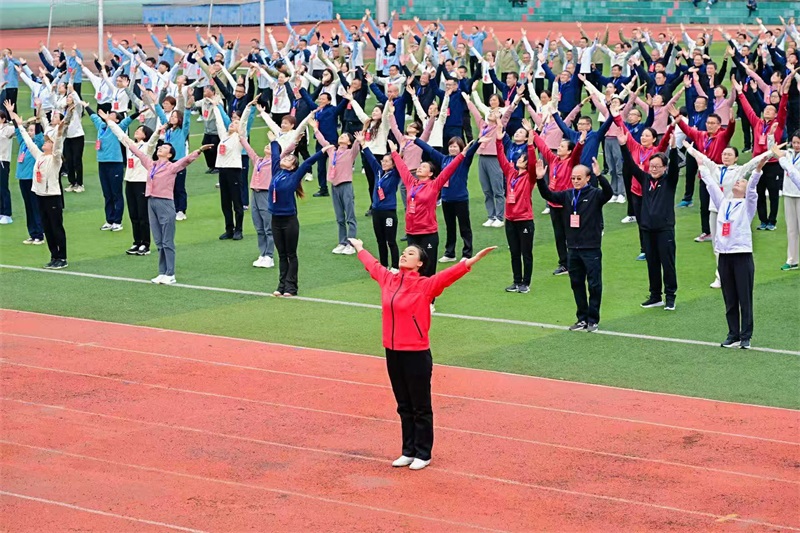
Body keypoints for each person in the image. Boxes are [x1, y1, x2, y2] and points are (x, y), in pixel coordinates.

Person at [348, 236, 496, 471]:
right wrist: (359, 248)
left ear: (419, 263)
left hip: (416, 353)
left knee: (420, 406)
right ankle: (408, 451)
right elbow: (373, 266)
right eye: (404, 252)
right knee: (403, 404)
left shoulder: (425, 286)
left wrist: (471, 261)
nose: (404, 255)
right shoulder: (388, 280)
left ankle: (423, 453)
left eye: (410, 253)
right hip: (392, 351)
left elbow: (447, 277)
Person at [535, 157, 613, 332]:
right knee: (576, 283)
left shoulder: (595, 194)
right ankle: (582, 318)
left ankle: (593, 319)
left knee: (594, 284)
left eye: (579, 178)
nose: (576, 181)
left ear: (587, 178)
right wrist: (540, 179)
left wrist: (600, 176)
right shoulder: (568, 195)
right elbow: (549, 195)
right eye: (573, 178)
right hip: (573, 249)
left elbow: (608, 193)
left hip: (591, 248)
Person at [700, 154, 769, 349]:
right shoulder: (724, 203)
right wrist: (702, 167)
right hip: (724, 256)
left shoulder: (748, 204)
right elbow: (712, 186)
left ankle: (746, 336)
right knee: (729, 297)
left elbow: (753, 188)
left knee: (744, 297)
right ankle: (733, 334)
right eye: (738, 181)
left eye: (742, 182)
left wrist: (757, 170)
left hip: (741, 255)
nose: (739, 182)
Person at [685, 142, 773, 287]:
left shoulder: (739, 170)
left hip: (732, 212)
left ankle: (731, 274)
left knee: (730, 242)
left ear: (736, 158)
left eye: (730, 155)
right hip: (716, 209)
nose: (726, 157)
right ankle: (720, 276)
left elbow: (754, 162)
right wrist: (689, 148)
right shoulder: (715, 168)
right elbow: (701, 158)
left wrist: (771, 152)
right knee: (717, 244)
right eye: (724, 154)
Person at [127, 138, 213, 285]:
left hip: (165, 204)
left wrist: (199, 150)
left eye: (165, 148)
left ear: (170, 155)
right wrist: (127, 141)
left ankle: (170, 273)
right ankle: (162, 272)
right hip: (151, 202)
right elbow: (139, 154)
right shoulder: (151, 165)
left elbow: (186, 160)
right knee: (159, 241)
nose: (160, 148)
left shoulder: (172, 167)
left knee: (167, 241)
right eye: (160, 147)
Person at [620, 134, 681, 310]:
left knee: (667, 264)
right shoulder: (645, 179)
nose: (653, 169)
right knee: (652, 263)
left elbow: (675, 168)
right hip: (647, 229)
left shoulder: (669, 180)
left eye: (657, 166)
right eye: (651, 166)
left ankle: (670, 297)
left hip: (664, 229)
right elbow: (631, 166)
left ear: (664, 168)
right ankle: (655, 296)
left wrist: (674, 148)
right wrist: (623, 146)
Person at [8, 103, 69, 268]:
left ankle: (62, 257)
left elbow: (58, 144)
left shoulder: (55, 158)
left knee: (56, 227)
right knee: (47, 228)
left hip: (52, 196)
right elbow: (28, 141)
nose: (45, 143)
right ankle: (54, 256)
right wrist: (16, 120)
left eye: (48, 142)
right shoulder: (39, 155)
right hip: (40, 195)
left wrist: (60, 131)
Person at [266, 141, 327, 296]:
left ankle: (291, 287)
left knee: (291, 254)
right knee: (281, 255)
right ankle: (281, 286)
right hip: (275, 220)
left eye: (289, 159)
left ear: (293, 166)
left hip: (289, 221)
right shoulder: (276, 172)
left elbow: (307, 163)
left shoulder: (294, 177)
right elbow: (275, 155)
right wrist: (274, 141)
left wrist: (323, 151)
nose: (284, 159)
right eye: (285, 158)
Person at [496, 126, 537, 294]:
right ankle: (516, 281)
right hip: (510, 219)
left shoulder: (530, 176)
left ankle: (525, 283)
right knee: (514, 252)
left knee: (526, 253)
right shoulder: (511, 173)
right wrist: (498, 140)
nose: (518, 159)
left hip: (525, 219)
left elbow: (533, 162)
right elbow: (501, 158)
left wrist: (530, 143)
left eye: (522, 158)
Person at [106, 118, 156, 256]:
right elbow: (120, 134)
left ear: (145, 135)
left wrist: (159, 130)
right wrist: (109, 121)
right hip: (129, 181)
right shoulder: (131, 146)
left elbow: (154, 139)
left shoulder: (147, 147)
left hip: (142, 182)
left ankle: (145, 244)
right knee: (133, 214)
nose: (136, 131)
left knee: (142, 215)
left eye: (140, 130)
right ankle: (137, 242)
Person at [361, 144, 401, 271]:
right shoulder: (378, 172)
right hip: (376, 211)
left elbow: (400, 163)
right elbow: (371, 158)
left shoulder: (395, 174)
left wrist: (396, 151)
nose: (384, 163)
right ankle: (384, 265)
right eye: (383, 161)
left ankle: (395, 266)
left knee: (391, 241)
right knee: (380, 240)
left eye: (387, 161)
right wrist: (363, 144)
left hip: (389, 212)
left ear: (393, 164)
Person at [776, 136, 800, 271]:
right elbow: (773, 151)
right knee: (791, 229)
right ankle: (792, 260)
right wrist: (771, 136)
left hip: (799, 194)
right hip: (788, 193)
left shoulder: (786, 157)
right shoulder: (789, 153)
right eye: (794, 142)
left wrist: (782, 158)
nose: (796, 145)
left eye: (799, 143)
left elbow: (791, 169)